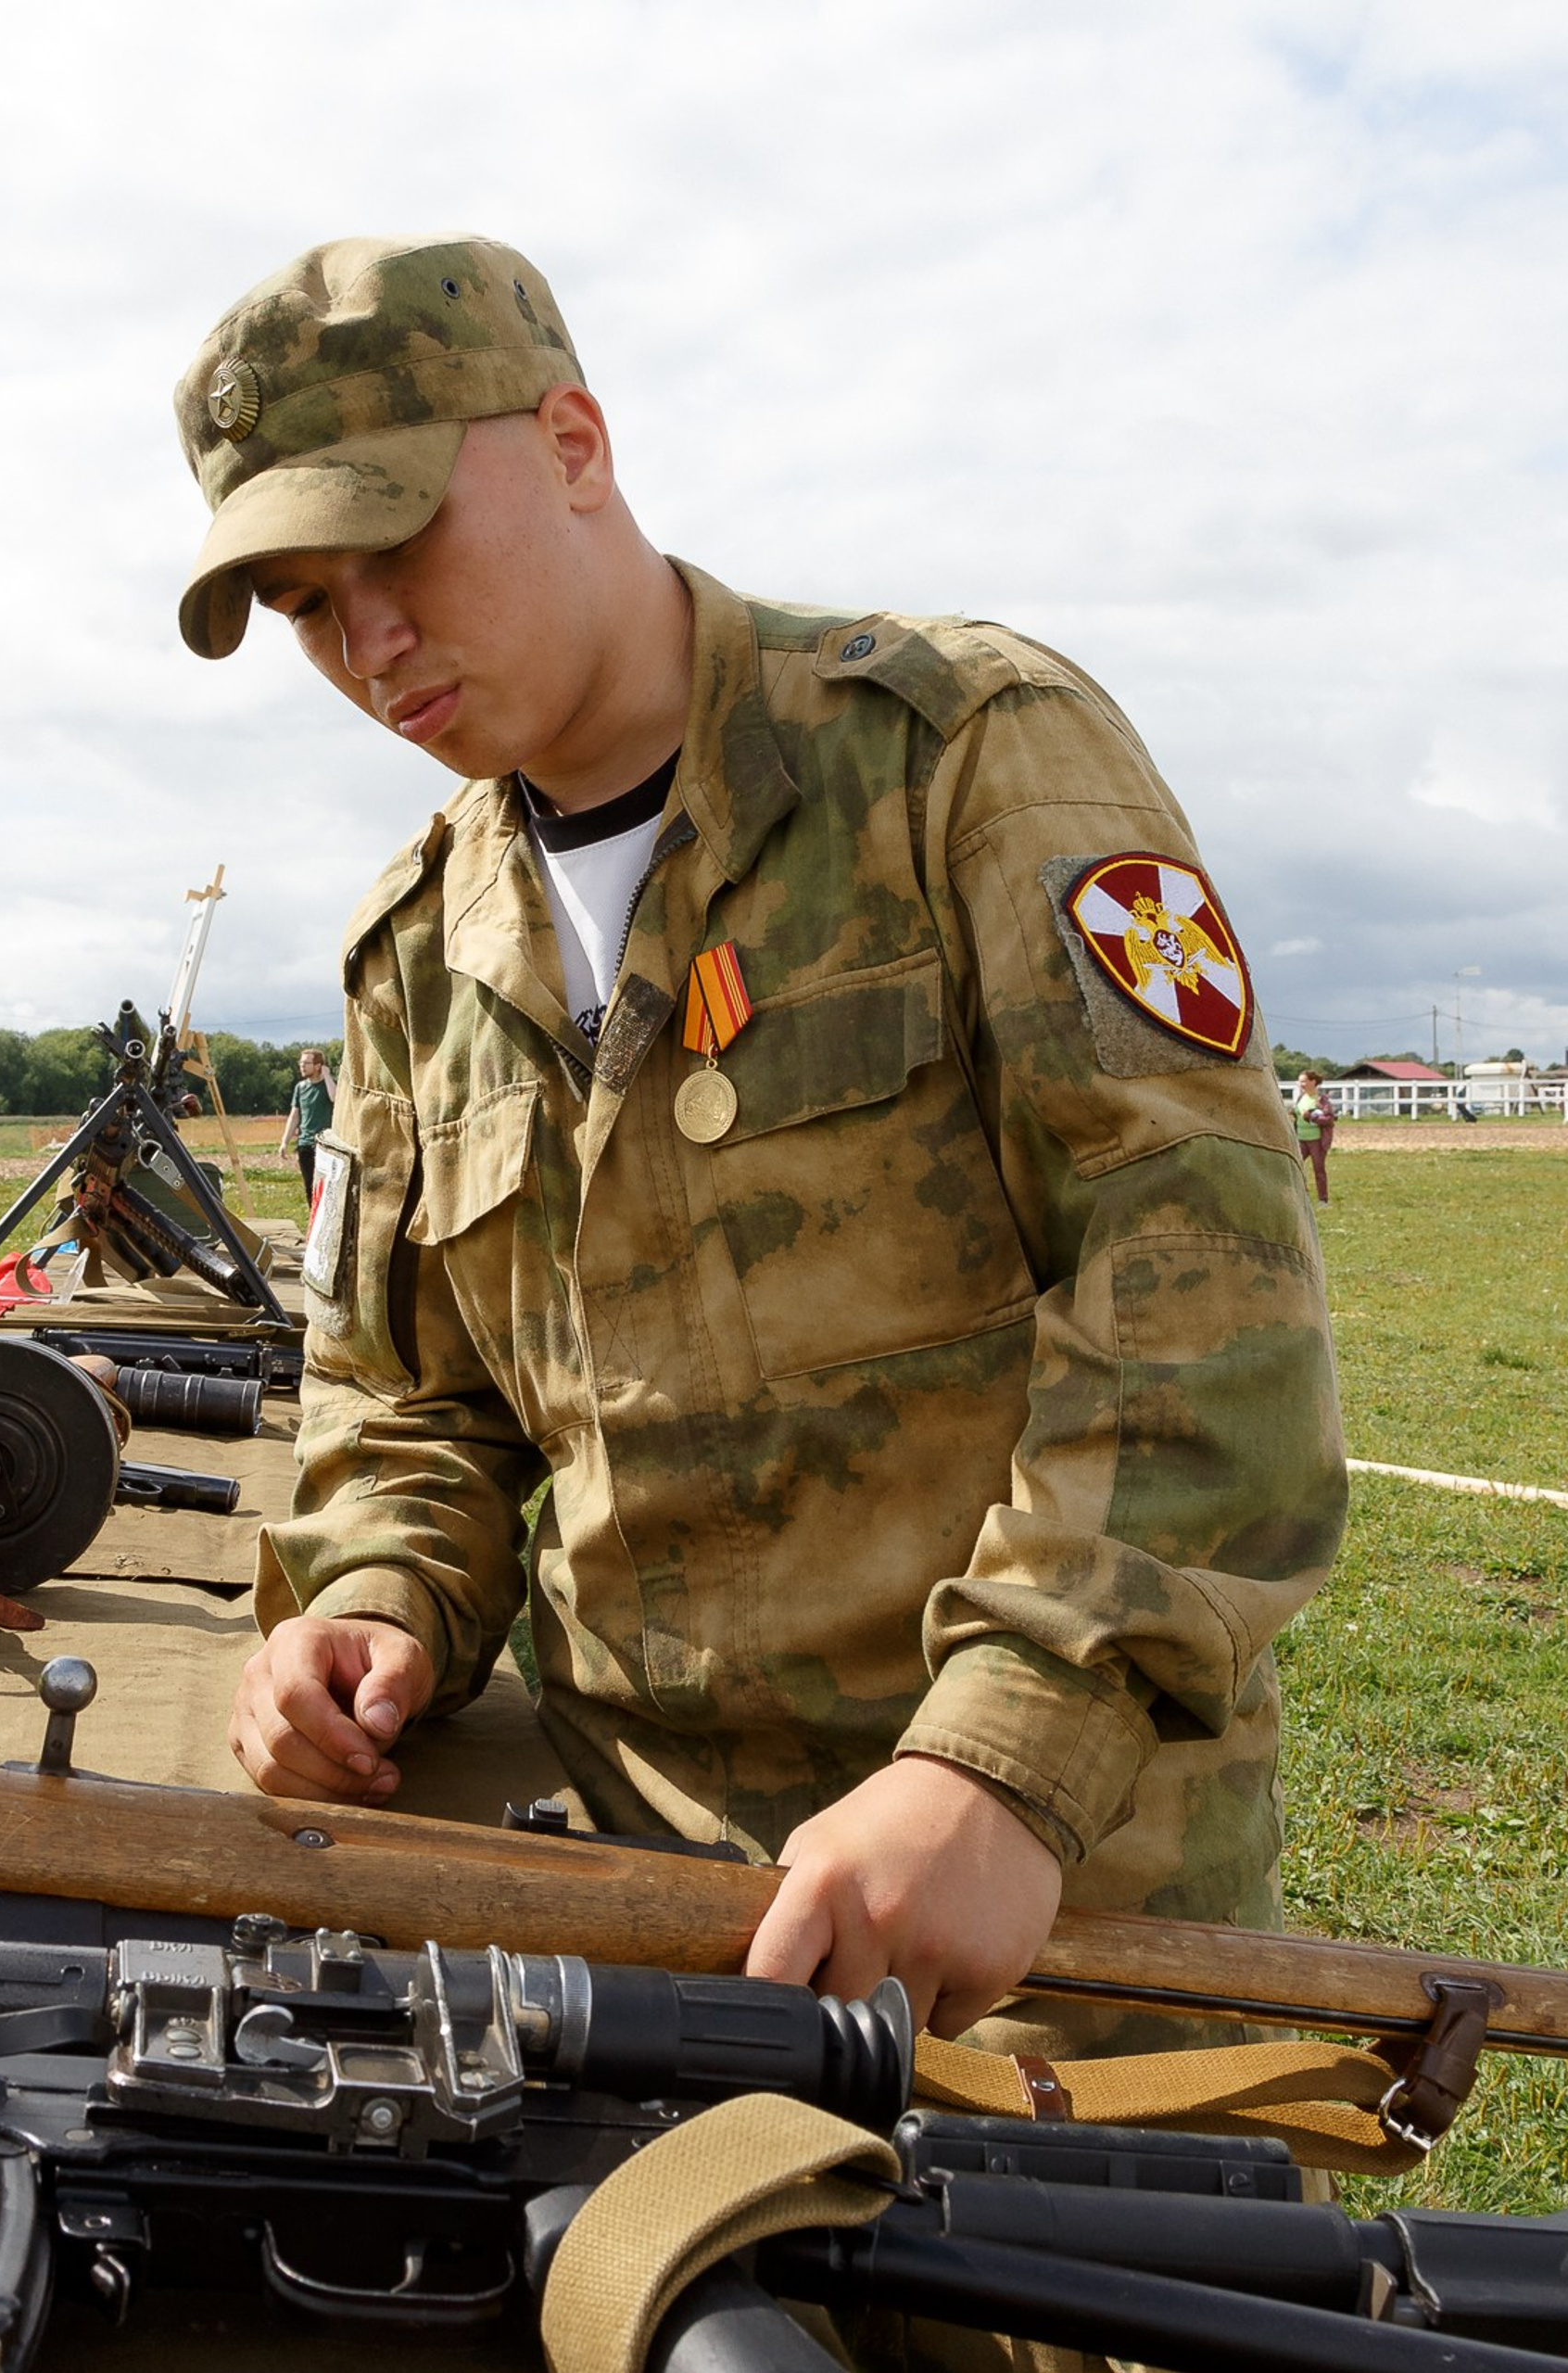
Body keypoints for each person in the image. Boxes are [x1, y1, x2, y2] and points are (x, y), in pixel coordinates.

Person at [180, 238, 1343, 2049]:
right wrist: (379, 1587)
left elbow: (1201, 1300)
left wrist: (999, 1758)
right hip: (618, 1900)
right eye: (307, 607)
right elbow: (408, 1393)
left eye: (391, 547)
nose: (366, 643)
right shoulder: (414, 946)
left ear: (573, 441)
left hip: (1042, 1925)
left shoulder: (955, 759)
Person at [277, 1047, 335, 1197]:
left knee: (326, 1186)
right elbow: (294, 1116)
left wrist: (327, 1076)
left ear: (318, 1066)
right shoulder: (300, 1087)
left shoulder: (328, 1085)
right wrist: (285, 1142)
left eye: (306, 1063)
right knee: (309, 1187)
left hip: (325, 1143)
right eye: (301, 1063)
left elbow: (335, 1098)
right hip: (305, 1144)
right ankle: (312, 1219)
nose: (302, 1066)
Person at [1292, 1069, 1336, 1205]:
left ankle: (1323, 1200)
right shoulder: (1301, 1098)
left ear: (1313, 1082)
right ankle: (1299, 1196)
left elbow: (1329, 1119)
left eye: (1304, 1081)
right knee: (1294, 1166)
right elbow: (1299, 1115)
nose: (1301, 1084)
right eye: (1300, 1082)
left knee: (1319, 1170)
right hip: (1301, 1139)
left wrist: (1311, 1117)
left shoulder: (1321, 1100)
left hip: (1316, 1141)